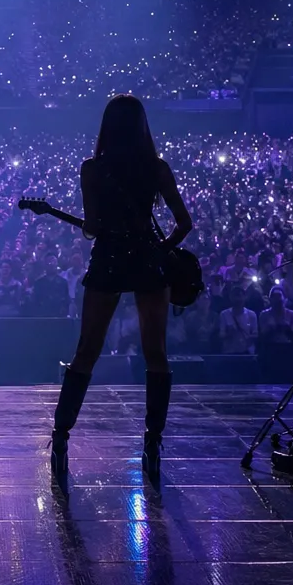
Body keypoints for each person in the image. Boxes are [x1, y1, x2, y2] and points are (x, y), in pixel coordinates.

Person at [51, 95, 192, 484]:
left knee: (87, 350)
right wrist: (159, 250)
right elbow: (184, 223)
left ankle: (61, 436)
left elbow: (93, 227)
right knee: (156, 353)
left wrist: (98, 226)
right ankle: (152, 441)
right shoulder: (156, 168)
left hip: (109, 257)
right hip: (147, 260)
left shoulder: (92, 169)